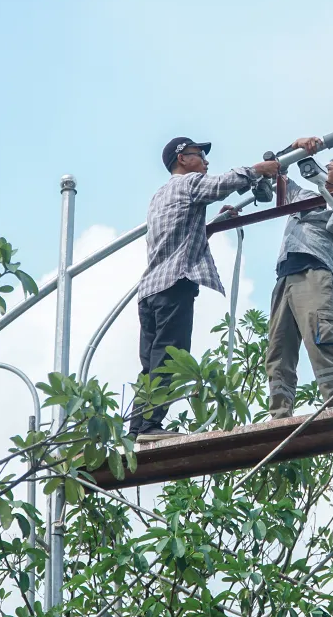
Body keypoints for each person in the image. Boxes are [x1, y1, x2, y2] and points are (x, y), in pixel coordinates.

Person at [130, 136, 279, 442]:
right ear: (182, 158)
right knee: (171, 356)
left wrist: (216, 221)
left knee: (151, 362)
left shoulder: (160, 196)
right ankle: (149, 425)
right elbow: (220, 183)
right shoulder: (189, 184)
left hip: (150, 290)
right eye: (200, 155)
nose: (206, 162)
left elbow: (182, 234)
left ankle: (137, 427)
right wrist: (258, 170)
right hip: (174, 285)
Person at [265, 136, 333, 419]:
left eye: (330, 167)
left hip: (313, 272)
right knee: (278, 347)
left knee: (320, 337)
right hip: (285, 275)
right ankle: (279, 414)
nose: (323, 170)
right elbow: (276, 169)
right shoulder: (303, 196)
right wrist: (295, 148)